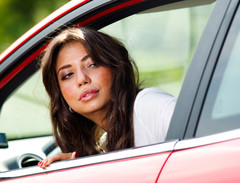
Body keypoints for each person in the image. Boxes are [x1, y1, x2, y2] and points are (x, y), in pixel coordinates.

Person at [38, 27, 176, 168]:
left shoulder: (148, 105)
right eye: (68, 75)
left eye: (92, 64)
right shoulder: (99, 140)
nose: (82, 79)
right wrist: (80, 165)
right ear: (60, 93)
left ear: (116, 67)